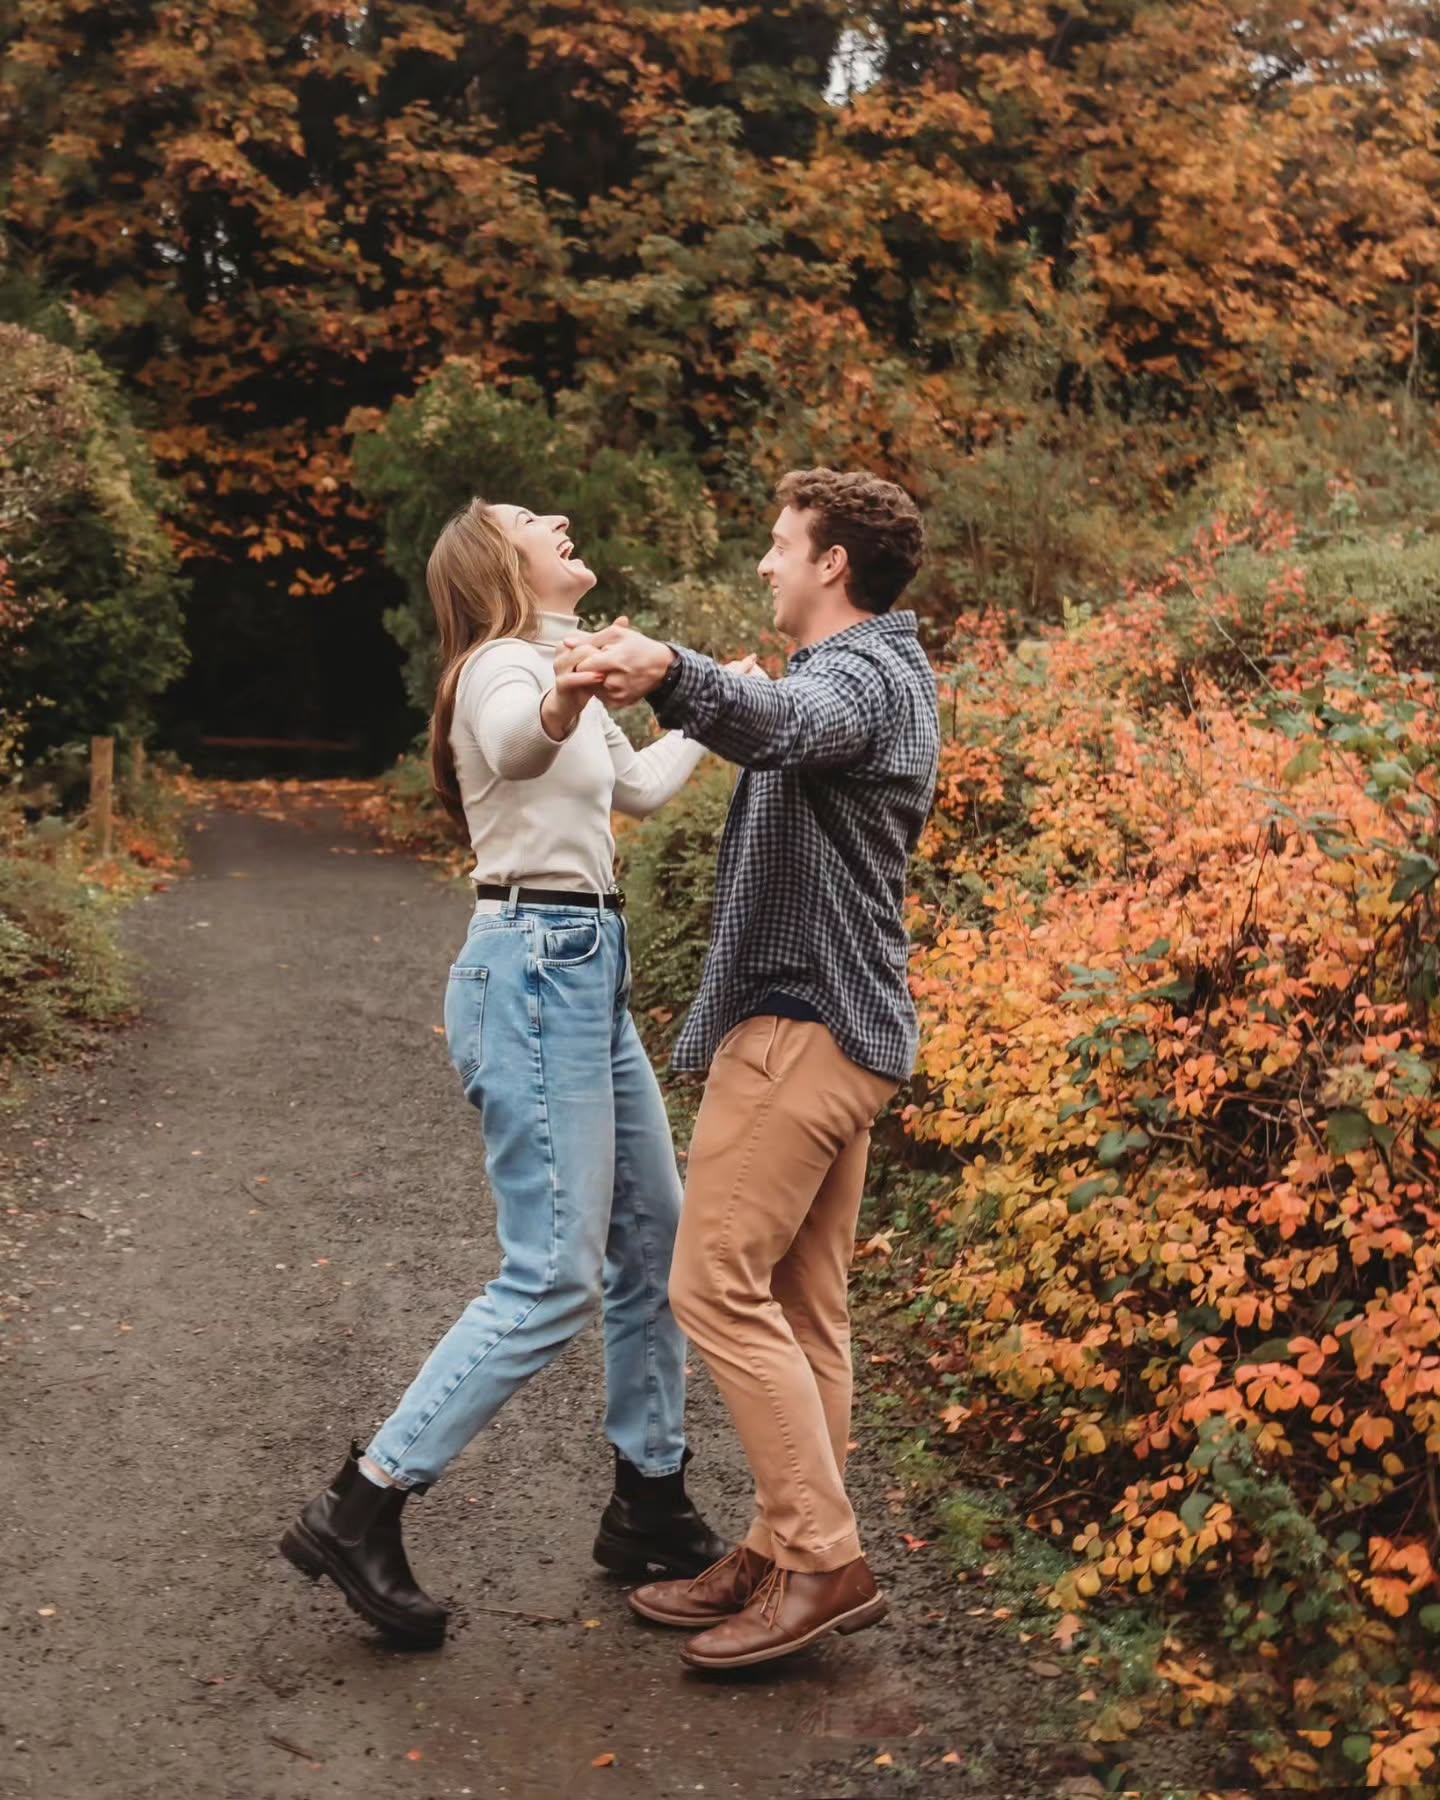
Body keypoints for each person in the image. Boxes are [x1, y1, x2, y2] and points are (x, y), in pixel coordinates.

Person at [280, 497, 738, 1647]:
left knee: (655, 1242)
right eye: (535, 517)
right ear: (500, 561)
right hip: (535, 967)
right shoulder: (499, 670)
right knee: (551, 1277)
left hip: (586, 966)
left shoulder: (557, 663)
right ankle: (365, 1501)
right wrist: (566, 695)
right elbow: (515, 742)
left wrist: (716, 694)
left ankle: (650, 1499)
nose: (566, 516)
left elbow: (631, 793)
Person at [568, 468, 939, 1671]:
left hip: (804, 1033)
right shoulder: (868, 675)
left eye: (782, 546)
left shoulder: (867, 679)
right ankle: (786, 1545)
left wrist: (670, 668)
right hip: (835, 1033)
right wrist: (692, 686)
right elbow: (771, 716)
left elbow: (781, 723)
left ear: (834, 563)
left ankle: (823, 1561)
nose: (767, 565)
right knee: (799, 1309)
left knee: (710, 1285)